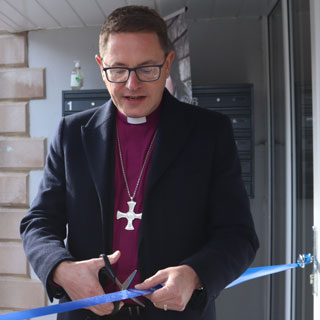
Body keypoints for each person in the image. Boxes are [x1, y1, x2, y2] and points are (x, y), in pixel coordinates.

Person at [20, 5, 259, 320]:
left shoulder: (209, 133)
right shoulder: (71, 133)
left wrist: (195, 274)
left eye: (147, 68)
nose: (132, 85)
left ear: (168, 62)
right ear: (100, 65)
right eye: (118, 69)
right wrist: (62, 270)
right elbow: (38, 222)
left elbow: (237, 234)